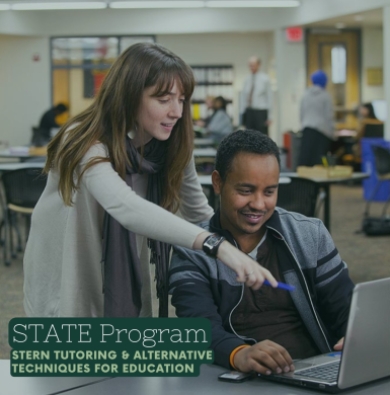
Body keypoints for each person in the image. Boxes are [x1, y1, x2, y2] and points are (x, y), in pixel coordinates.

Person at [23, 43, 277, 319]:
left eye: (181, 99)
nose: (177, 112)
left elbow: (198, 214)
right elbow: (125, 206)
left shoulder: (171, 145)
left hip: (121, 261)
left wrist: (246, 251)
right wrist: (215, 245)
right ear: (130, 97)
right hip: (67, 261)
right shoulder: (85, 139)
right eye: (163, 99)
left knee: (124, 345)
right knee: (73, 347)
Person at [169, 129, 354, 374]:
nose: (258, 204)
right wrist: (239, 353)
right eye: (245, 191)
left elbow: (346, 308)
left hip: (316, 369)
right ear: (217, 182)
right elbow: (198, 329)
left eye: (269, 192)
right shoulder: (193, 250)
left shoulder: (310, 235)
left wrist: (353, 336)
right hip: (240, 377)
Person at [298, 70, 335, 166]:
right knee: (318, 162)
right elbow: (329, 116)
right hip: (321, 132)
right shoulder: (326, 96)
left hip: (307, 130)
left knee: (306, 159)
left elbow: (301, 113)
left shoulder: (305, 94)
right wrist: (332, 133)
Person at [241, 56, 272, 136]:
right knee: (249, 136)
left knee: (262, 136)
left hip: (261, 112)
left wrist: (270, 116)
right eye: (250, 65)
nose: (252, 67)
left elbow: (270, 98)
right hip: (249, 111)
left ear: (259, 65)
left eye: (253, 65)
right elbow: (244, 98)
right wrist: (242, 113)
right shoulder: (247, 79)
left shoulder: (265, 79)